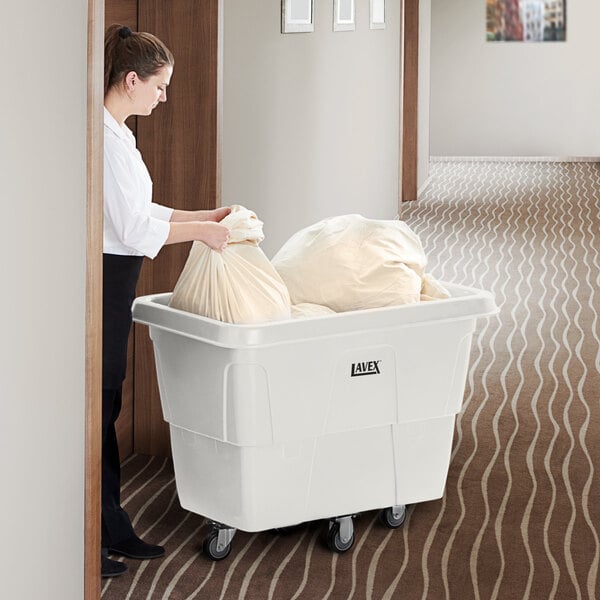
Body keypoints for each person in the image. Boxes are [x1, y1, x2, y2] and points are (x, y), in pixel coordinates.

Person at [102, 23, 231, 578]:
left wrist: (203, 217)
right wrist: (201, 235)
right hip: (105, 281)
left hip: (118, 277)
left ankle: (110, 525)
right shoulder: (101, 140)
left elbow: (143, 213)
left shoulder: (119, 135)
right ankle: (96, 532)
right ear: (132, 80)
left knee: (107, 405)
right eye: (159, 86)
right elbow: (131, 228)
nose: (164, 96)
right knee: (98, 410)